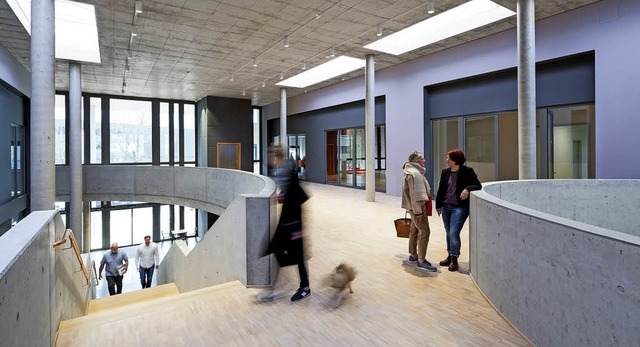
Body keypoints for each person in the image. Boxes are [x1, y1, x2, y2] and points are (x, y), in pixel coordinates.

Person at [261, 145, 311, 302]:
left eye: (270, 157)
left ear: (276, 157)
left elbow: (300, 197)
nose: (269, 161)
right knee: (275, 250)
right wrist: (280, 197)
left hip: (294, 223)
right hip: (286, 221)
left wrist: (299, 228)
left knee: (298, 257)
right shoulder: (282, 171)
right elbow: (288, 193)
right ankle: (271, 289)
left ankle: (305, 287)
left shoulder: (289, 171)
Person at [435, 149, 482, 272]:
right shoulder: (445, 172)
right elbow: (441, 189)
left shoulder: (467, 171)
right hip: (446, 206)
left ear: (456, 160)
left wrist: (467, 189)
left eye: (449, 158)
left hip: (459, 208)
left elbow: (478, 185)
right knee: (448, 231)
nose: (447, 160)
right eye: (446, 158)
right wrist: (438, 205)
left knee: (454, 232)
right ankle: (450, 255)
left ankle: (454, 258)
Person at [401, 151, 437, 272]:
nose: (424, 161)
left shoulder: (411, 172)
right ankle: (421, 260)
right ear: (416, 161)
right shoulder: (414, 174)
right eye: (422, 158)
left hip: (413, 208)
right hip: (418, 208)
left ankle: (413, 255)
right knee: (425, 231)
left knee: (414, 229)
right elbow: (414, 194)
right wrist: (418, 212)